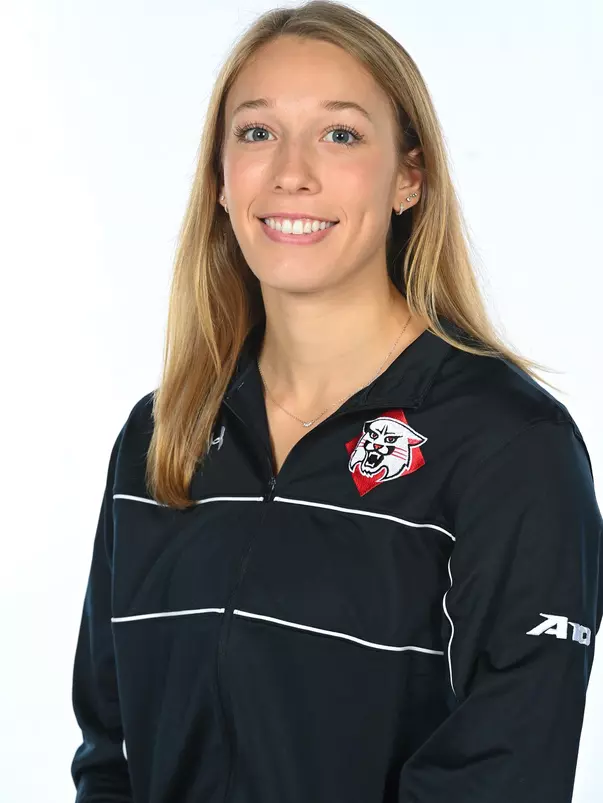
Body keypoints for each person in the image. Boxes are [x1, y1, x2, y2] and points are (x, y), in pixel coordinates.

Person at [69, 2, 603, 802]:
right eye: (256, 133)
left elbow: (503, 771)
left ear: (408, 178)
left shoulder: (507, 443)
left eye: (340, 134)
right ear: (220, 178)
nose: (291, 172)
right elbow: (111, 757)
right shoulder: (159, 437)